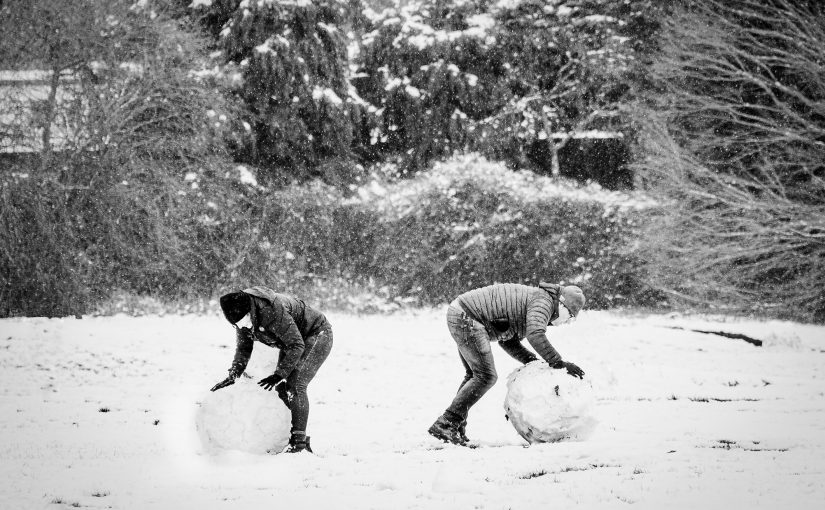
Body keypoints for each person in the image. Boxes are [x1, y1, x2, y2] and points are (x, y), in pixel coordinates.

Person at [428, 282, 586, 446]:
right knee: (485, 376)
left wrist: (532, 362)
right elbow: (535, 335)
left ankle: (454, 426)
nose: (568, 321)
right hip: (467, 316)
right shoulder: (543, 302)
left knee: (475, 376)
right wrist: (558, 363)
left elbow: (508, 341)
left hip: (461, 312)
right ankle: (447, 423)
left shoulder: (539, 303)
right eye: (570, 315)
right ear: (562, 305)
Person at [210, 286, 333, 454]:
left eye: (243, 321)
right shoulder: (242, 319)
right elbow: (244, 348)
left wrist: (279, 374)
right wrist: (234, 374)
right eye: (237, 325)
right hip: (291, 341)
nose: (243, 326)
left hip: (316, 334)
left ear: (249, 311)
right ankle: (293, 438)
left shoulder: (271, 311)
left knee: (295, 385)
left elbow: (297, 344)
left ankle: (299, 445)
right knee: (281, 388)